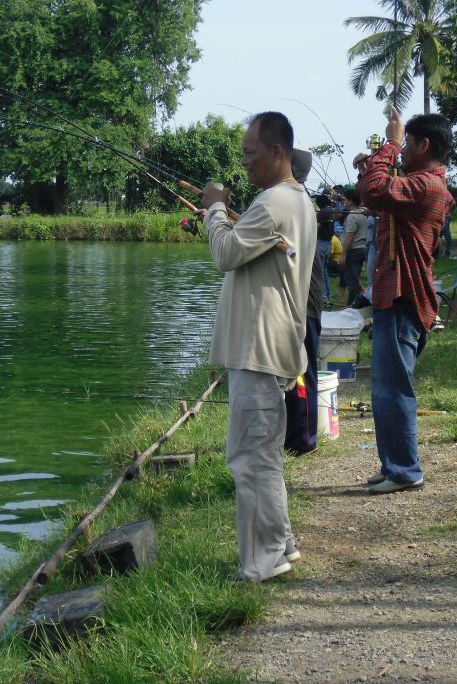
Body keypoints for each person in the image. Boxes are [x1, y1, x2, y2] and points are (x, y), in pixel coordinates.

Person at [201, 111, 316, 581]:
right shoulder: (295, 201)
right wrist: (229, 218)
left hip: (259, 349)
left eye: (251, 153)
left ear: (277, 152)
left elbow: (225, 254)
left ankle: (262, 563)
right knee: (264, 454)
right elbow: (249, 247)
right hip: (272, 346)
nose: (244, 162)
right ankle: (280, 545)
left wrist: (213, 209)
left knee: (251, 458)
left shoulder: (273, 203)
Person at [354, 109, 454, 494]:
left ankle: (405, 471)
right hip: (395, 299)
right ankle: (392, 464)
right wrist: (372, 167)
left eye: (408, 143)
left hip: (402, 299)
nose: (403, 150)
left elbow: (377, 192)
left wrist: (388, 142)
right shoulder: (420, 186)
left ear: (422, 145)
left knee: (394, 390)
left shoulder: (427, 186)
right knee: (385, 389)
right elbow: (377, 197)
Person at [285, 148, 322, 455]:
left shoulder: (296, 202)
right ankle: (294, 436)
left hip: (304, 305)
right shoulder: (297, 200)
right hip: (299, 303)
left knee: (302, 373)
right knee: (295, 371)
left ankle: (305, 440)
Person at [339, 188, 369, 307]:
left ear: (351, 201)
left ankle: (352, 306)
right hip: (362, 249)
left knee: (352, 281)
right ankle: (359, 300)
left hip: (354, 251)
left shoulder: (352, 216)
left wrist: (343, 254)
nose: (344, 202)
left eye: (345, 200)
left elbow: (350, 236)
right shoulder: (362, 213)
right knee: (354, 278)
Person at [315, 193, 336, 302]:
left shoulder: (323, 212)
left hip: (321, 243)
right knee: (324, 270)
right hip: (328, 243)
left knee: (320, 270)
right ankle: (327, 295)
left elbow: (316, 227)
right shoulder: (331, 210)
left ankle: (324, 295)